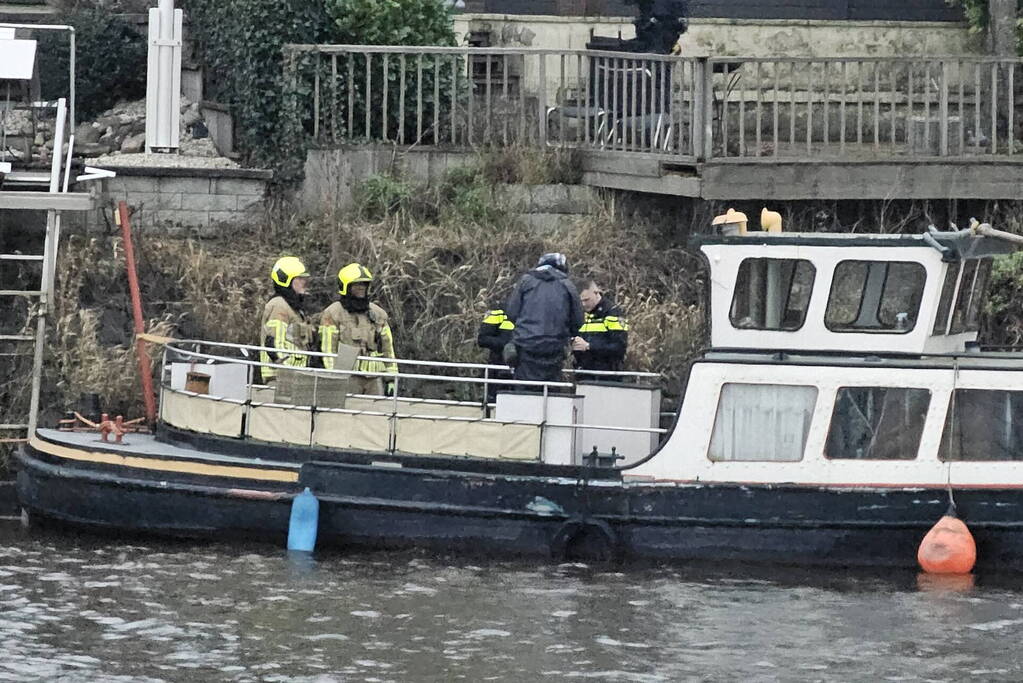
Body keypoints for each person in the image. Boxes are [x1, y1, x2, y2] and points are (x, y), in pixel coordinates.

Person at [505, 252, 583, 385]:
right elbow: (578, 320)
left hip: (526, 347)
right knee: (550, 393)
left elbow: (511, 313)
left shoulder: (525, 281)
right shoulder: (567, 285)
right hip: (555, 349)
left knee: (524, 391)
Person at [319, 262, 397, 396]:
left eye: (364, 284)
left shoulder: (378, 314)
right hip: (347, 378)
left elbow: (388, 350)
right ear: (346, 287)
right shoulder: (332, 313)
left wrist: (392, 379)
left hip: (374, 379)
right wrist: (334, 379)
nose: (361, 288)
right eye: (357, 284)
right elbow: (328, 351)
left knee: (376, 413)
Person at [260, 256, 314, 383]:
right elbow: (274, 343)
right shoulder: (280, 306)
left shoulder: (294, 308)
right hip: (281, 378)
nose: (304, 282)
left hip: (295, 376)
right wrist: (287, 371)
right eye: (299, 279)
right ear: (286, 280)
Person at [571, 278, 628, 380]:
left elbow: (619, 348)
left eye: (586, 300)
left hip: (607, 376)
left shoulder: (613, 313)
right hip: (583, 374)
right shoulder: (580, 314)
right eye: (581, 301)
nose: (583, 304)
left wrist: (589, 346)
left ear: (596, 293)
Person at [476, 301, 514, 403]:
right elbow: (482, 339)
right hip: (499, 370)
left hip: (529, 371)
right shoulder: (500, 311)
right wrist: (507, 344)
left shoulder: (538, 311)